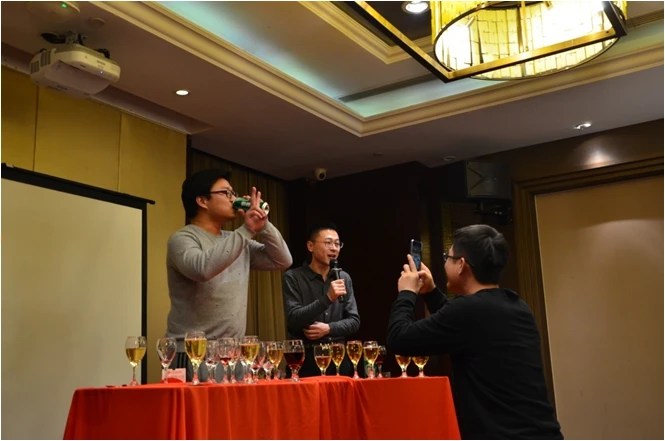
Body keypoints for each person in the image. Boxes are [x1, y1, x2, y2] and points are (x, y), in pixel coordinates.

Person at [387, 225, 563, 440]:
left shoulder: (467, 311)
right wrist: (431, 292)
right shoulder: (517, 305)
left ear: (461, 264)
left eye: (447, 257)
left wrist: (407, 293)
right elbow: (464, 326)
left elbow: (399, 338)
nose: (445, 262)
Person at [165, 168, 292, 381]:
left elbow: (282, 260)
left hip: (233, 352)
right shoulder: (182, 238)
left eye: (234, 193)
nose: (234, 199)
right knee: (196, 405)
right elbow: (202, 269)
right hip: (192, 351)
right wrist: (247, 230)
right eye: (226, 193)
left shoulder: (236, 239)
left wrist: (264, 225)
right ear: (202, 201)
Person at [282, 223, 360, 377]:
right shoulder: (293, 277)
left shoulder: (343, 277)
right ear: (310, 246)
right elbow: (294, 318)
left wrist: (329, 329)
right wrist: (328, 298)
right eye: (328, 243)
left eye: (337, 244)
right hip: (305, 360)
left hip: (338, 359)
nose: (334, 248)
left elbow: (354, 321)